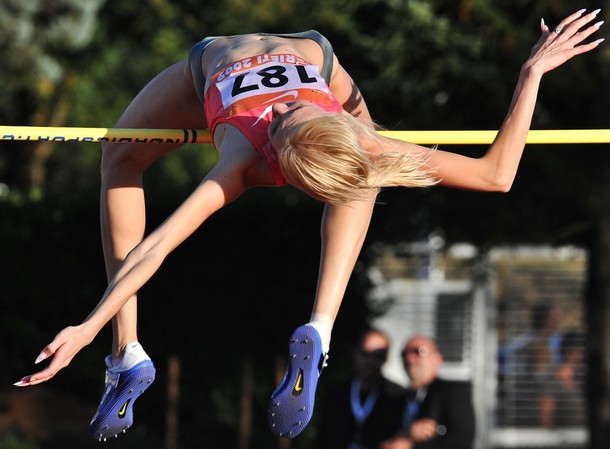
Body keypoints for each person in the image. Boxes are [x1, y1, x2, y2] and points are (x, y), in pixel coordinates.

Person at [14, 9, 604, 441]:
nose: (282, 108)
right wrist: (532, 74)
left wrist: (96, 327)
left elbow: (157, 248)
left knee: (120, 155)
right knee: (364, 170)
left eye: (284, 119)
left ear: (275, 152)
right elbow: (497, 174)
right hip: (322, 59)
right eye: (294, 110)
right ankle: (318, 330)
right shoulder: (358, 136)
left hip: (215, 57)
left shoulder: (242, 157)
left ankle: (129, 353)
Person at [380, 336, 475, 449]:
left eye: (418, 351)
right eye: (404, 353)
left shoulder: (451, 392)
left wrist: (414, 445)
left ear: (437, 359)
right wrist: (406, 432)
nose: (410, 358)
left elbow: (462, 438)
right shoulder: (399, 397)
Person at [317, 329, 406, 449]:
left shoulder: (398, 396)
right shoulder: (335, 395)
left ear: (386, 357)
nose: (369, 361)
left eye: (377, 355)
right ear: (355, 353)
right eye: (364, 353)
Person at [539, 330, 587, 429]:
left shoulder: (583, 379)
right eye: (580, 351)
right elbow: (546, 416)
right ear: (570, 352)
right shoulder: (553, 380)